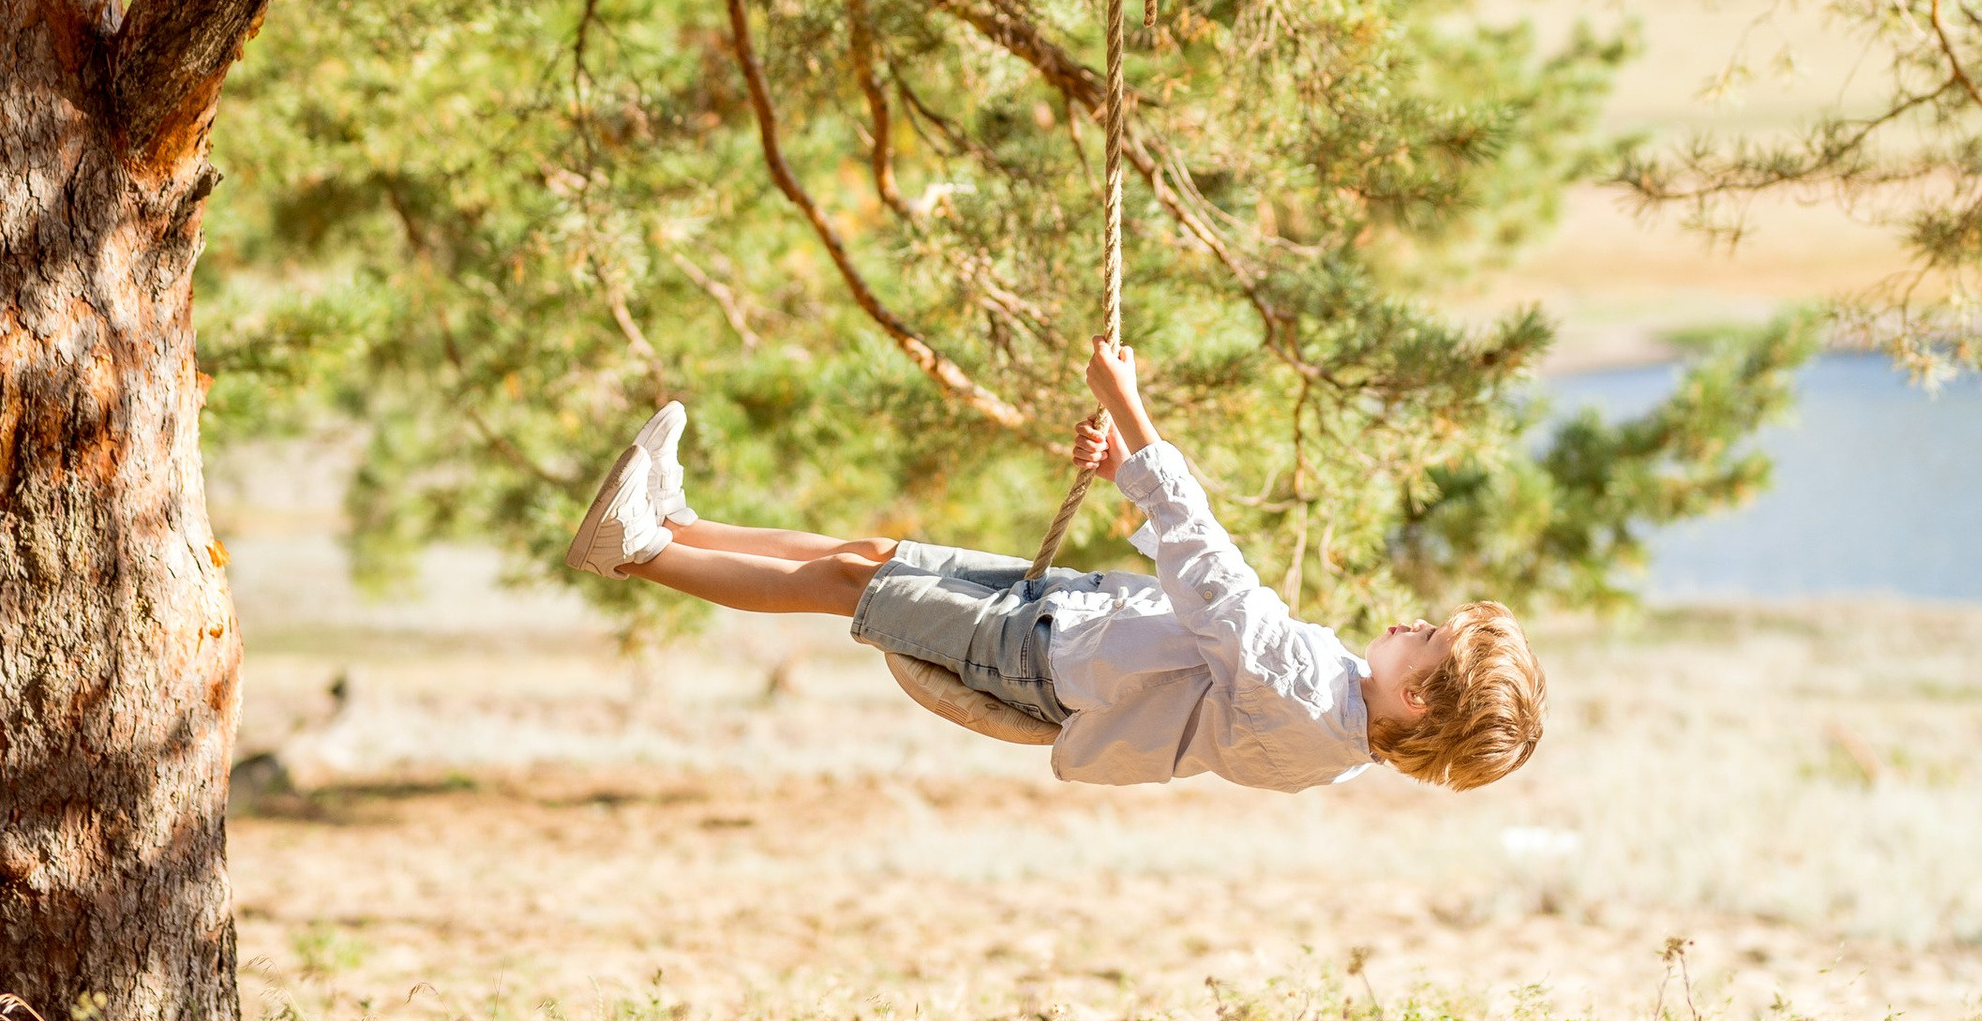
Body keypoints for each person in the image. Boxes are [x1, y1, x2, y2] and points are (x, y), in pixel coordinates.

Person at [565, 336, 1545, 793]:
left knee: (847, 585)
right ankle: (681, 524)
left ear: (1419, 699)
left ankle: (641, 549)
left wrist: (1131, 409)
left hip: (1040, 657)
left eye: (1429, 640)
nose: (1415, 622)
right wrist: (1129, 478)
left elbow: (1218, 582)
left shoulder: (1305, 692)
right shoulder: (1327, 730)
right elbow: (1200, 615)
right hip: (1069, 627)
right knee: (868, 558)